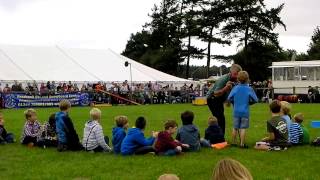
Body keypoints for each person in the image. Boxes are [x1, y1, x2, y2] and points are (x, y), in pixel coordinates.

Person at [206, 64, 242, 135]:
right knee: (220, 119)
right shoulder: (223, 79)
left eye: (238, 74)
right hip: (212, 99)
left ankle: (219, 137)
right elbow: (215, 93)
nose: (237, 76)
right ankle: (220, 138)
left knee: (220, 118)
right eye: (235, 74)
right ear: (230, 72)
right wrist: (226, 88)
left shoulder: (235, 80)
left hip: (219, 99)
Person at [227, 71, 258, 148]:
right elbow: (256, 100)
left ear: (238, 79)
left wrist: (233, 102)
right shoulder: (249, 89)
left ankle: (233, 142)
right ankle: (242, 144)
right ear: (247, 79)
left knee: (235, 127)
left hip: (236, 111)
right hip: (245, 111)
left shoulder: (235, 88)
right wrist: (250, 103)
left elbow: (229, 98)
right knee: (243, 128)